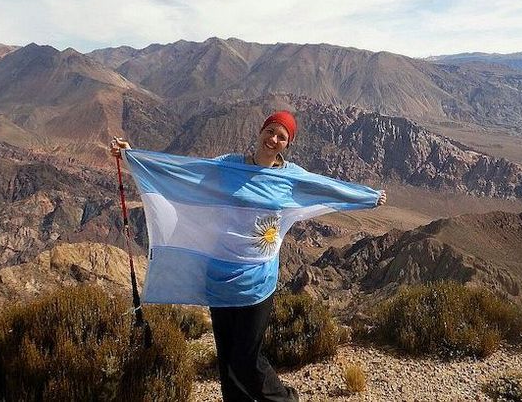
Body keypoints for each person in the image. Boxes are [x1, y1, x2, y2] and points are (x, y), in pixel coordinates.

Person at [110, 110, 386, 401]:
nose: (274, 139)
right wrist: (134, 158)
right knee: (228, 364)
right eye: (271, 131)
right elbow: (184, 172)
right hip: (218, 279)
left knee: (247, 360)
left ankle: (285, 400)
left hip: (257, 283)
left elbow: (326, 188)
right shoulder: (229, 166)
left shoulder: (290, 178)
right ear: (261, 131)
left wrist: (366, 197)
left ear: (287, 144)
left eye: (282, 136)